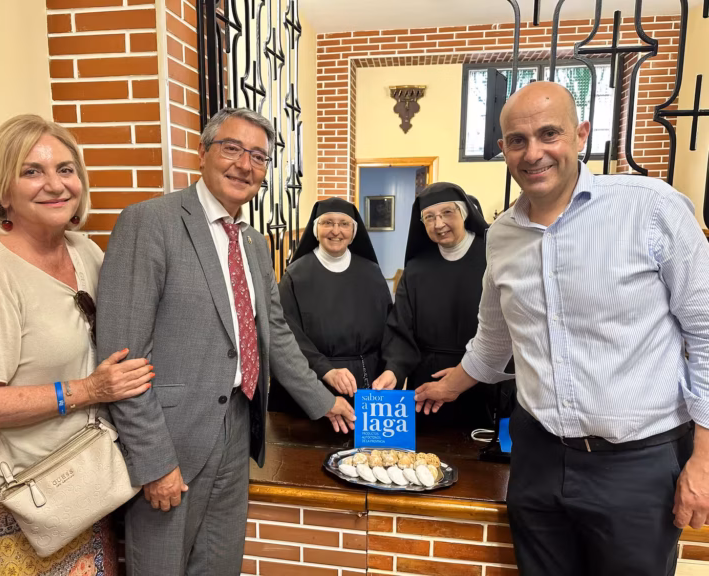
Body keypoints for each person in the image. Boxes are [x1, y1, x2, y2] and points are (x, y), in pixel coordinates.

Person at [414, 81, 709, 576]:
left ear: (581, 135)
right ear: (503, 149)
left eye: (549, 134)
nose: (533, 153)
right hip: (538, 458)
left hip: (637, 465)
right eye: (516, 140)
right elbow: (493, 339)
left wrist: (704, 460)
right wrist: (448, 385)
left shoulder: (649, 208)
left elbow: (705, 333)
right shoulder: (503, 235)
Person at [95, 107, 356, 576]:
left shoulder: (253, 243)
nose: (244, 165)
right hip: (171, 439)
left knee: (220, 565)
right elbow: (123, 358)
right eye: (232, 148)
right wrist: (153, 461)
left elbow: (274, 333)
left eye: (258, 156)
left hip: (239, 426)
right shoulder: (149, 223)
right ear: (202, 153)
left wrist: (323, 400)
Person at [0, 115, 153, 575]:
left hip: (84, 490)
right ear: (2, 191)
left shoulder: (86, 251)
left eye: (65, 169)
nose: (55, 185)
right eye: (31, 171)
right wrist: (88, 390)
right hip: (8, 506)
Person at [372, 182, 497, 430]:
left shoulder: (493, 258)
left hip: (482, 381)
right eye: (429, 217)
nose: (438, 224)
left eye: (447, 213)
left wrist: (467, 372)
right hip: (426, 387)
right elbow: (401, 329)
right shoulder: (416, 269)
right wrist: (394, 371)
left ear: (464, 213)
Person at [268, 197, 392, 415]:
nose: (336, 231)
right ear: (316, 229)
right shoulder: (296, 276)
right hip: (313, 381)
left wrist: (391, 369)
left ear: (353, 232)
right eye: (328, 223)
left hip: (364, 383)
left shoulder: (371, 273)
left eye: (344, 224)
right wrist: (326, 369)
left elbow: (390, 327)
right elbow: (286, 333)